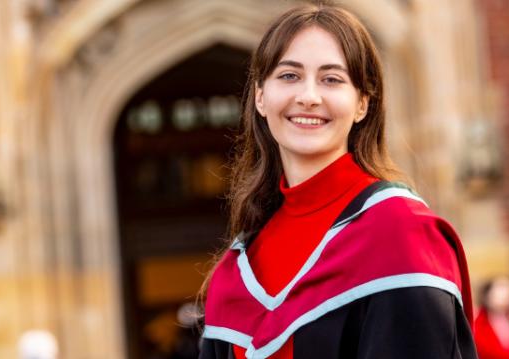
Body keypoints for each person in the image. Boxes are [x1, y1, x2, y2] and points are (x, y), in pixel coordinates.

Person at [199, 3, 476, 359]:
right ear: (260, 97)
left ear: (362, 103)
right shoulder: (239, 270)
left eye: (332, 79)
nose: (309, 97)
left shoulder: (401, 236)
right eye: (289, 76)